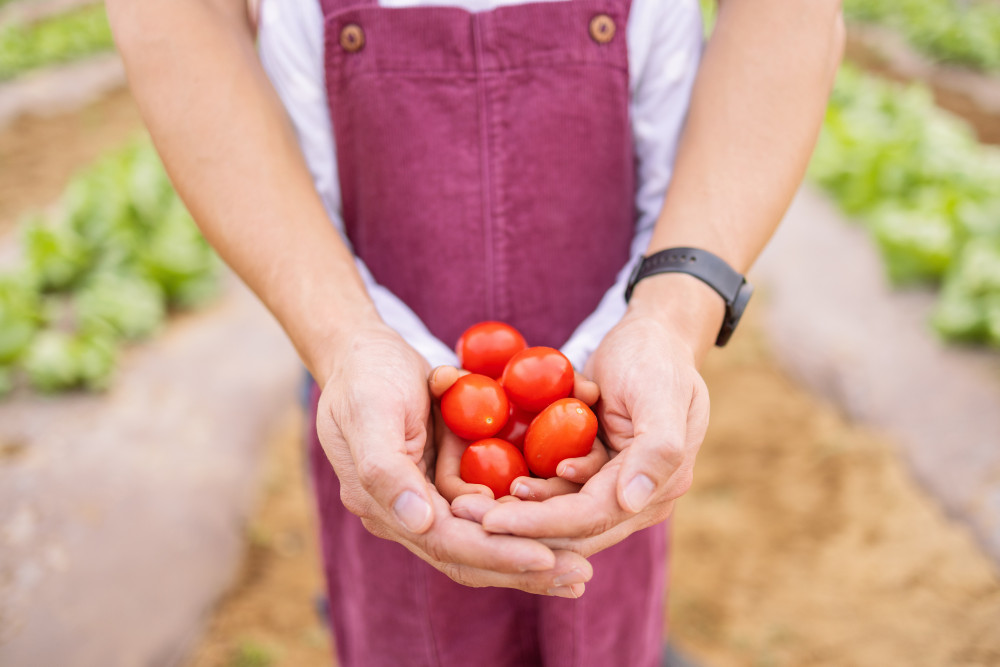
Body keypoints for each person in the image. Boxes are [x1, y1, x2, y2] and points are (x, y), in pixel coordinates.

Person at [109, 0, 844, 664]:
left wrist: (669, 317)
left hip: (610, 366)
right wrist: (345, 337)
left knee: (602, 558)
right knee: (397, 535)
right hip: (371, 329)